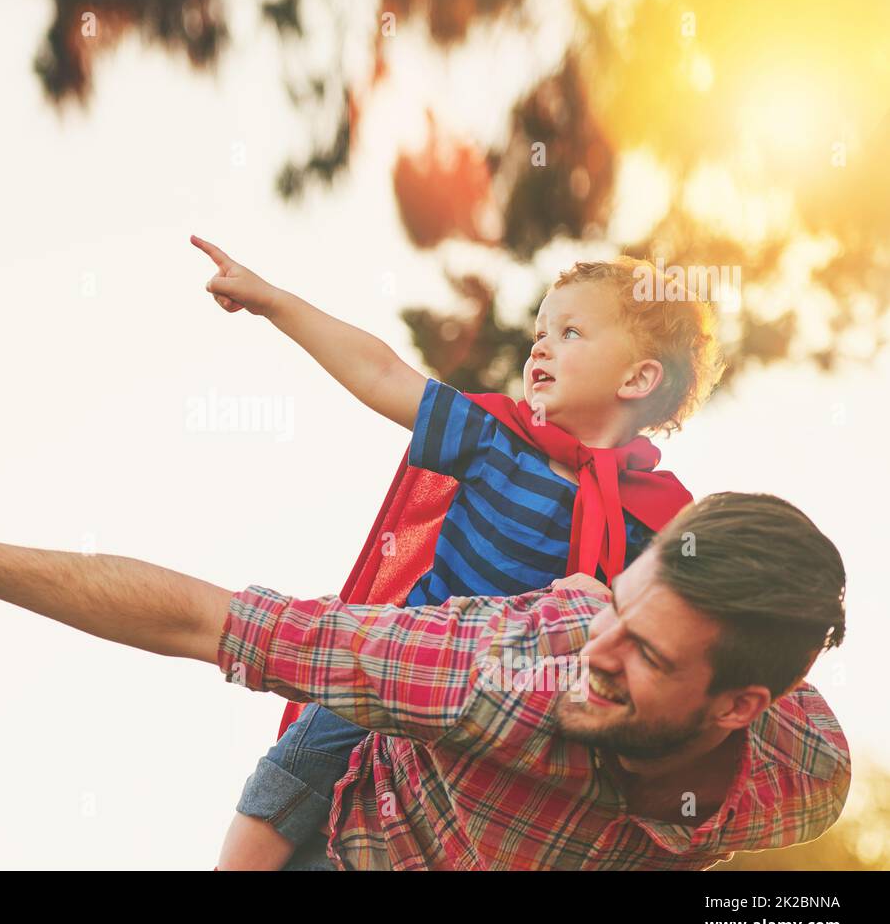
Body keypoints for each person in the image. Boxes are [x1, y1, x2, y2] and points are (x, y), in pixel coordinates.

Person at [0, 432, 850, 870]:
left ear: (737, 704)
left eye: (645, 654)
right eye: (613, 606)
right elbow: (204, 620)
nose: (594, 653)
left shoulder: (803, 777)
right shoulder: (494, 668)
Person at [191, 236, 726, 868]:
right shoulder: (495, 438)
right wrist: (273, 302)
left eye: (572, 331)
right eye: (539, 332)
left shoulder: (661, 521)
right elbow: (382, 371)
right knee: (301, 763)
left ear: (638, 377)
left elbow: (686, 633)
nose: (541, 346)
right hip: (406, 666)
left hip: (508, 724)